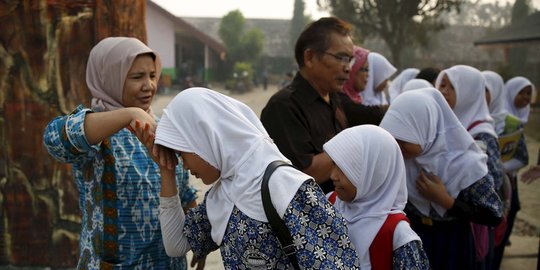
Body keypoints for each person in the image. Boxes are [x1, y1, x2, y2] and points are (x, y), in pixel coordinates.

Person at [151, 87, 360, 269]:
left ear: (204, 137)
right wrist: (166, 172)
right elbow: (176, 245)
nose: (184, 165)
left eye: (182, 154)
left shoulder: (285, 187)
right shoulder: (223, 195)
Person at [42, 37, 198, 269]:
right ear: (108, 78)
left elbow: (183, 193)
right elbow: (54, 139)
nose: (149, 86)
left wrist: (199, 241)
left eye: (152, 75)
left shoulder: (163, 128)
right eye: (137, 77)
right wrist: (129, 115)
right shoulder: (94, 131)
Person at [379, 88, 503, 270]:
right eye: (392, 138)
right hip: (414, 239)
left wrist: (446, 201)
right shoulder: (401, 160)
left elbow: (493, 215)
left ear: (426, 130)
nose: (397, 146)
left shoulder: (467, 165)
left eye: (404, 139)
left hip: (453, 242)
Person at [260, 17, 381, 194]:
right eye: (340, 57)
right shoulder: (284, 106)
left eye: (350, 60)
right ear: (309, 57)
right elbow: (303, 174)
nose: (347, 68)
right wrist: (356, 144)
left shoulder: (336, 99)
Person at [323, 125, 430, 269]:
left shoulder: (397, 234)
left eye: (344, 168)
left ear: (373, 173)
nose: (333, 176)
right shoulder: (328, 204)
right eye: (334, 164)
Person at [435, 65, 505, 268]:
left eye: (451, 87)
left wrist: (446, 198)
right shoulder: (449, 126)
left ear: (468, 92)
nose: (443, 91)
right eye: (442, 84)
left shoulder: (482, 134)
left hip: (471, 230)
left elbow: (494, 186)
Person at [492, 76, 534, 269]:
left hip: (507, 185)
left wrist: (498, 167)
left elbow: (523, 157)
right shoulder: (494, 119)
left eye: (529, 93)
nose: (526, 98)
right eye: (521, 92)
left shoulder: (512, 122)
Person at [339, 45, 386, 126]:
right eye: (364, 69)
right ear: (352, 69)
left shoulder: (355, 99)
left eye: (368, 70)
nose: (368, 75)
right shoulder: (339, 101)